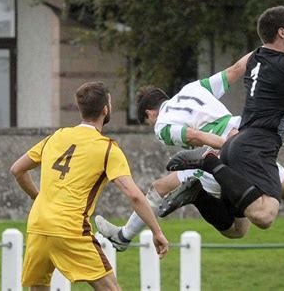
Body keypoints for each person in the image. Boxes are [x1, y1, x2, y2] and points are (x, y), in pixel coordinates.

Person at [96, 0, 284, 249]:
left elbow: (192, 135)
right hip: (239, 140)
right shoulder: (194, 88)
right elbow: (235, 70)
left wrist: (219, 147)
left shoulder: (162, 125)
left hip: (227, 146)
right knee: (279, 206)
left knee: (190, 203)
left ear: (149, 112)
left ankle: (128, 233)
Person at [10, 82, 168, 291]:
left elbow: (17, 169)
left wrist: (36, 197)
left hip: (38, 225)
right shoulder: (107, 148)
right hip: (70, 229)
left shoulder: (57, 136)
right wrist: (156, 231)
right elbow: (135, 196)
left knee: (38, 288)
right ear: (105, 109)